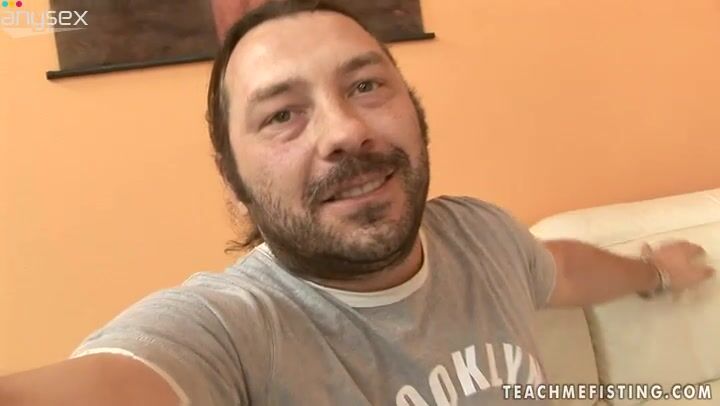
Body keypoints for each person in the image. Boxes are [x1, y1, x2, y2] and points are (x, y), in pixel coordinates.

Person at [0, 1, 715, 405]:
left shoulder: (483, 235)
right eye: (282, 114)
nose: (345, 131)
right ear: (233, 180)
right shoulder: (231, 333)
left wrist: (653, 270)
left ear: (416, 111)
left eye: (366, 86)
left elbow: (557, 268)